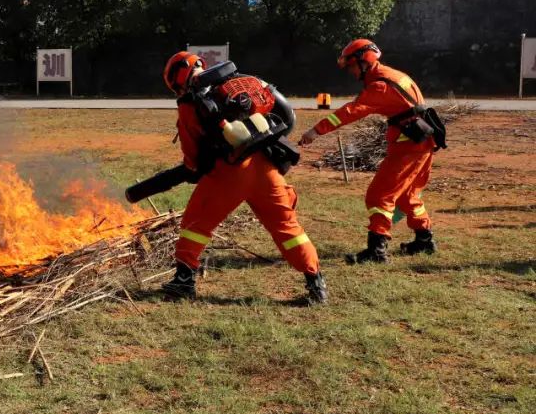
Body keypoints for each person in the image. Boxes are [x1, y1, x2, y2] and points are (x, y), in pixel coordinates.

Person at [162, 52, 327, 304]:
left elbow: (192, 154)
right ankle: (315, 282)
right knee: (288, 228)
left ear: (177, 80)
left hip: (228, 172)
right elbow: (286, 117)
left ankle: (184, 281)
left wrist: (193, 169)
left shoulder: (190, 102)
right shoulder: (240, 84)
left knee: (196, 223)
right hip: (267, 169)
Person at [299, 39, 439, 263]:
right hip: (422, 142)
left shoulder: (380, 86)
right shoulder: (393, 75)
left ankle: (377, 250)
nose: (351, 72)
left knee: (379, 195)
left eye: (352, 66)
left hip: (409, 146)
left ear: (365, 61)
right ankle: (424, 239)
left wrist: (316, 131)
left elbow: (350, 111)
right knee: (407, 195)